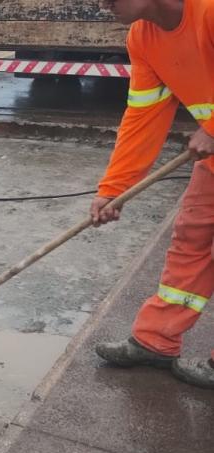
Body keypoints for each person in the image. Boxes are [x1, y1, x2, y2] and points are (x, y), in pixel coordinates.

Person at [92, 0, 214, 388]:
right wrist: (114, 189)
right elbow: (143, 116)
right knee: (190, 239)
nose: (102, 4)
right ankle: (156, 341)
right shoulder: (142, 39)